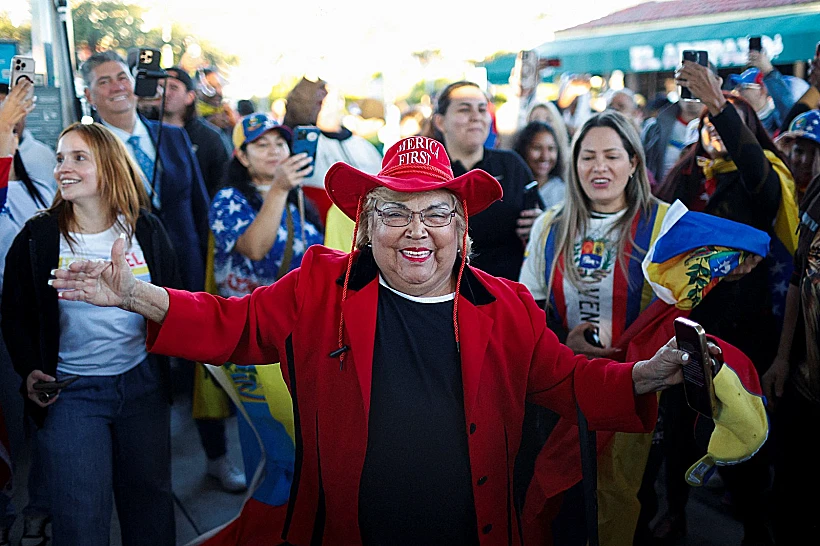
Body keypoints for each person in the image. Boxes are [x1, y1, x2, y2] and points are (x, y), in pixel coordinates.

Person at [49, 134, 692, 545]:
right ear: (365, 223)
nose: (417, 230)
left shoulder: (508, 305)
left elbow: (567, 379)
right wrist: (138, 295)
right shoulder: (320, 286)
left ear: (462, 225)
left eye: (437, 211)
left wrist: (643, 377)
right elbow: (236, 324)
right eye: (393, 211)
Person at [1, 122, 180, 546]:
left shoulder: (146, 230)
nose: (64, 167)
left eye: (79, 158)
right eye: (61, 158)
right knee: (80, 516)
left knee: (150, 506)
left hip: (142, 385)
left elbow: (176, 298)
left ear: (110, 167)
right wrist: (29, 370)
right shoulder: (38, 237)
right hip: (70, 393)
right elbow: (15, 314)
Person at [652, 58, 796, 546]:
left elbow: (762, 177)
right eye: (708, 124)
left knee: (743, 424)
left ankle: (755, 527)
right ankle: (675, 514)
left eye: (725, 125)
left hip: (744, 332)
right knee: (678, 425)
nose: (713, 130)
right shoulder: (684, 177)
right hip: (688, 327)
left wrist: (720, 103)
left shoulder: (759, 178)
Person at [518, 110, 670, 545]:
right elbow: (530, 310)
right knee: (570, 505)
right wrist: (562, 341)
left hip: (641, 394)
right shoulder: (551, 224)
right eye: (587, 157)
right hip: (569, 393)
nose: (598, 167)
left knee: (631, 501)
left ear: (634, 163)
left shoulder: (665, 226)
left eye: (611, 156)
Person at [81, 51, 210, 294]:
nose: (117, 87)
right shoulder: (87, 150)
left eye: (122, 78)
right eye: (104, 82)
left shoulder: (174, 136)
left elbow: (199, 206)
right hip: (131, 275)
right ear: (89, 95)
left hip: (188, 269)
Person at [0, 79, 56, 546]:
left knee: (42, 417)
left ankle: (40, 505)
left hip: (39, 309)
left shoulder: (37, 160)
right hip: (5, 315)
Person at [762, 168, 820, 545]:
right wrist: (783, 357)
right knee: (788, 504)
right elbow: (800, 279)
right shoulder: (817, 187)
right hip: (805, 384)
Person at [432, 80, 540, 281]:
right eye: (464, 110)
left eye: (482, 110)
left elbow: (541, 216)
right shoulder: (430, 171)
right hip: (446, 292)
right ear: (440, 122)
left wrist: (540, 223)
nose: (476, 117)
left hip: (508, 289)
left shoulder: (511, 164)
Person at [211, 112, 322, 296]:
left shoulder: (296, 194)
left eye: (280, 143)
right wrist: (278, 189)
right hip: (250, 315)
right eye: (262, 144)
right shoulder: (228, 199)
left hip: (297, 311)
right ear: (243, 156)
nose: (274, 151)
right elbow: (254, 249)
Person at [282, 76, 383, 227]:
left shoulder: (365, 147)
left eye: (329, 99)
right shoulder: (301, 145)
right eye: (318, 100)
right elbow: (295, 108)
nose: (324, 104)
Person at [160, 67, 232, 199]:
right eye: (160, 86)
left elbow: (222, 183)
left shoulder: (210, 138)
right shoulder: (145, 132)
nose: (164, 93)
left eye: (173, 88)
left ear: (190, 97)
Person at [512, 121, 566, 210]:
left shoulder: (564, 193)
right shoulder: (511, 188)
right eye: (537, 148)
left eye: (551, 148)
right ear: (523, 149)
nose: (545, 156)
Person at [775, 109, 820, 202]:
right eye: (799, 151)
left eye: (814, 154)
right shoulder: (777, 184)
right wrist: (776, 154)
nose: (805, 161)